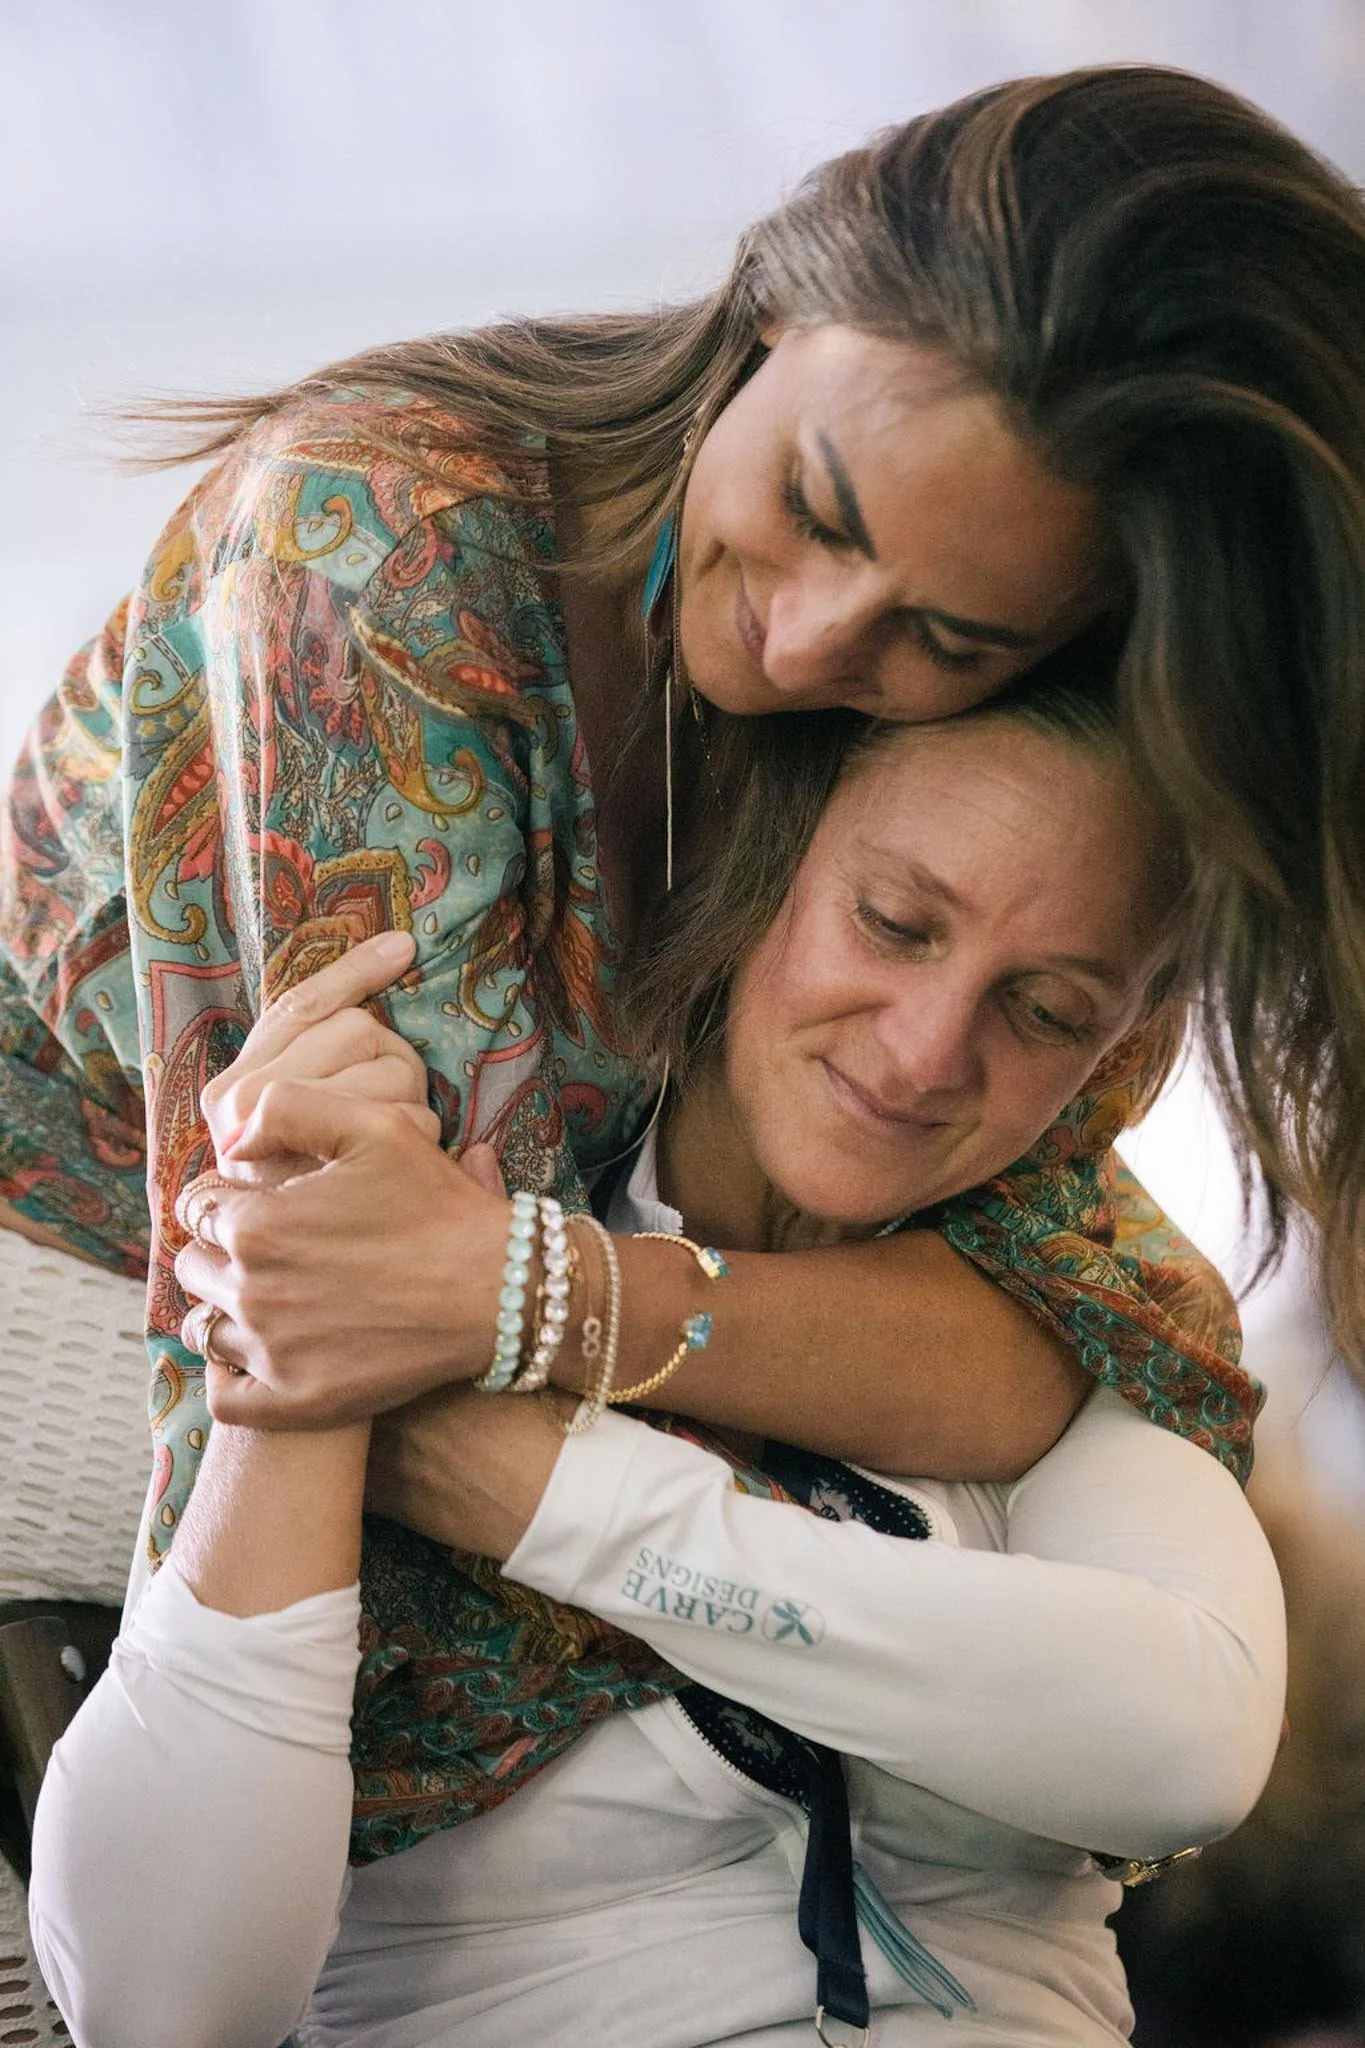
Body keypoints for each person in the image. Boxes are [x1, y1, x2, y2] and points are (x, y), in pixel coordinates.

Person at [29, 683, 1288, 2048]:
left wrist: (546, 1490)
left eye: (1044, 1010)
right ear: (759, 862)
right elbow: (163, 2011)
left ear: (1117, 1051)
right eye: (891, 923)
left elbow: (1184, 1741)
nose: (928, 1050)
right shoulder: (409, 1242)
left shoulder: (1071, 1305)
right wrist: (310, 1314)